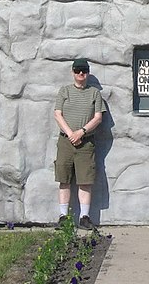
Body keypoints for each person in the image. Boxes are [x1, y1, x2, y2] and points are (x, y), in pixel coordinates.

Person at [54, 58, 107, 230]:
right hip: (66, 141)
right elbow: (57, 114)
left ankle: (84, 217)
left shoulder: (95, 94)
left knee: (85, 180)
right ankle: (63, 217)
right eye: (77, 71)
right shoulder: (65, 91)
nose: (81, 74)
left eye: (83, 71)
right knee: (64, 178)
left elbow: (98, 117)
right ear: (73, 72)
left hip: (85, 143)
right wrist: (71, 134)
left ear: (88, 73)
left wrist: (81, 132)